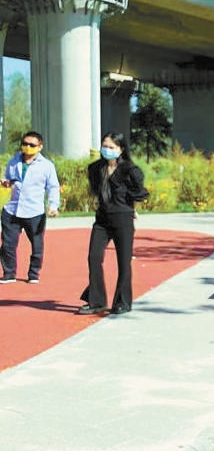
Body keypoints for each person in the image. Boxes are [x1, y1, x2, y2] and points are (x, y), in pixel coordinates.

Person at [77, 133, 149, 315]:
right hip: (102, 219)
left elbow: (139, 192)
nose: (106, 150)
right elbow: (96, 192)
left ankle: (122, 302)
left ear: (121, 149)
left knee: (124, 262)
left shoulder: (130, 170)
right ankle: (96, 301)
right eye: (104, 146)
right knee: (94, 257)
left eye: (111, 147)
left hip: (123, 219)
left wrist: (131, 208)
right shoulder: (95, 169)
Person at [1, 131, 61, 284]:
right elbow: (10, 179)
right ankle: (9, 273)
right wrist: (7, 183)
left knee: (36, 244)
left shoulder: (47, 166)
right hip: (12, 209)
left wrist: (53, 205)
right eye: (25, 144)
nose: (27, 147)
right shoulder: (13, 161)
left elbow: (53, 187)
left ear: (40, 147)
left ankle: (33, 274)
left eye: (32, 145)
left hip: (34, 212)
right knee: (8, 244)